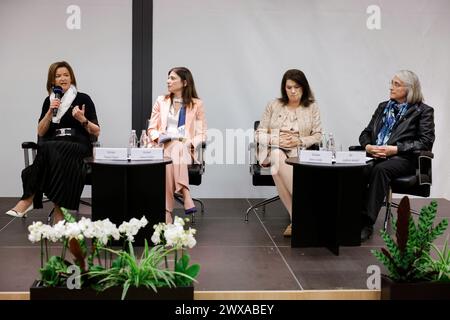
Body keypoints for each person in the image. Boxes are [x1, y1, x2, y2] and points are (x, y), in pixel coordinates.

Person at [5, 61, 100, 223]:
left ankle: (27, 200)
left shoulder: (83, 98)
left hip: (78, 147)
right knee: (53, 150)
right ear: (52, 81)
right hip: (55, 149)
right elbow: (41, 131)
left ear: (71, 78)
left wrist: (82, 119)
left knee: (49, 147)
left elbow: (96, 131)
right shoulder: (49, 101)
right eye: (58, 76)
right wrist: (50, 111)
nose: (62, 78)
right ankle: (59, 212)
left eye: (66, 75)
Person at [359, 70, 435, 242]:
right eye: (392, 83)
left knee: (380, 170)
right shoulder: (382, 107)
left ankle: (366, 223)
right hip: (376, 155)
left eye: (396, 84)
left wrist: (395, 149)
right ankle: (349, 217)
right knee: (358, 169)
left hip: (404, 159)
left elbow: (425, 142)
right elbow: (366, 133)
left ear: (409, 89)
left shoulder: (423, 111)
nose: (391, 88)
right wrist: (368, 146)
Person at [255, 69, 322, 237]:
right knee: (277, 156)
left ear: (304, 88)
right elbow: (258, 133)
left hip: (300, 152)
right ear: (284, 88)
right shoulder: (273, 105)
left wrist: (298, 141)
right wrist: (276, 140)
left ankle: (296, 219)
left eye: (297, 87)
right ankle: (306, 210)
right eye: (289, 87)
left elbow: (318, 135)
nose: (293, 91)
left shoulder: (312, 107)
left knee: (275, 170)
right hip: (274, 149)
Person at [148, 67, 207, 224]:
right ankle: (186, 193)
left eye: (173, 78)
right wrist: (160, 137)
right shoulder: (161, 101)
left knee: (177, 148)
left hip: (185, 152)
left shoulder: (197, 104)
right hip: (162, 149)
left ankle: (167, 213)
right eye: (168, 78)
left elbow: (202, 134)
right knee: (171, 152)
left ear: (185, 82)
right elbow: (151, 129)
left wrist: (189, 143)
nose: (168, 81)